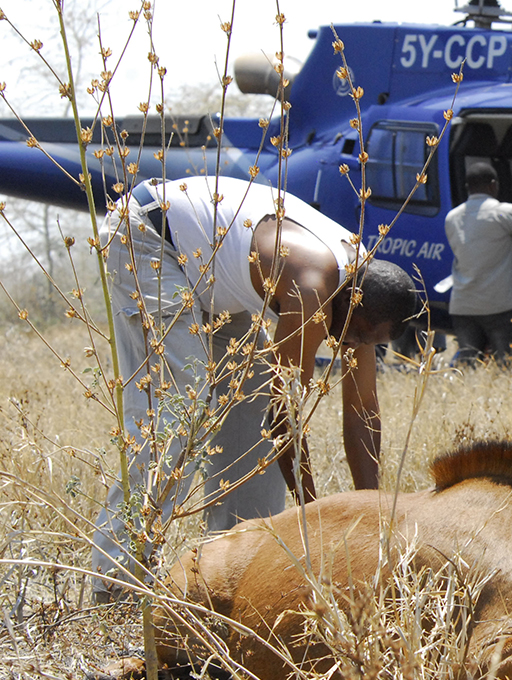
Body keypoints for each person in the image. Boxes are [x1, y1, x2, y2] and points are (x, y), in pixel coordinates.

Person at [93, 175, 419, 600]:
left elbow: (361, 412)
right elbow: (284, 418)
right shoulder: (312, 289)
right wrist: (316, 516)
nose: (353, 347)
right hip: (153, 238)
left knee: (247, 408)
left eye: (369, 343)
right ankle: (116, 580)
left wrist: (372, 515)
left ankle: (233, 568)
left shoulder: (361, 293)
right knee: (180, 411)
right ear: (350, 303)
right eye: (356, 335)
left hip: (211, 279)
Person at [444, 162, 512, 366]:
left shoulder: (452, 217)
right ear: (493, 185)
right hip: (498, 304)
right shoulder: (505, 213)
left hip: (463, 304)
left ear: (467, 187)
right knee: (507, 366)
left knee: (468, 367)